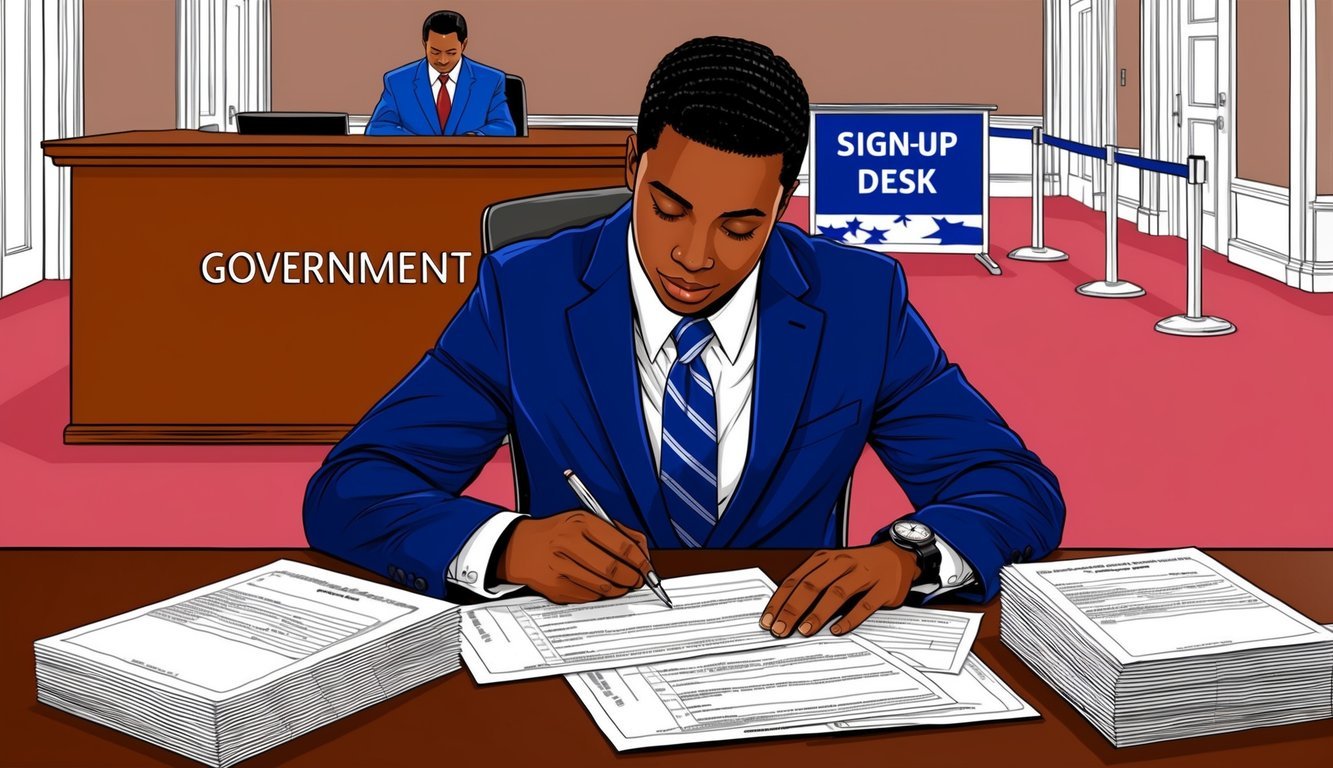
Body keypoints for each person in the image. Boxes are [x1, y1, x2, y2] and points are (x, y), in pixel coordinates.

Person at [306, 36, 1064, 638]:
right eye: (668, 208)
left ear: (782, 201)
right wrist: (507, 545)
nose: (696, 256)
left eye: (741, 226)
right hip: (580, 666)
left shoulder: (860, 301)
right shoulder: (525, 293)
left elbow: (1013, 487)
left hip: (792, 666)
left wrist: (910, 558)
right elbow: (352, 487)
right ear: (632, 166)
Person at [365, 10, 515, 137]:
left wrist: (476, 137)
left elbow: (505, 127)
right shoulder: (397, 81)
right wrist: (422, 145)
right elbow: (377, 127)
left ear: (464, 45)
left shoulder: (491, 80)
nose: (443, 60)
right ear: (424, 44)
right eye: (435, 52)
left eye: (451, 52)